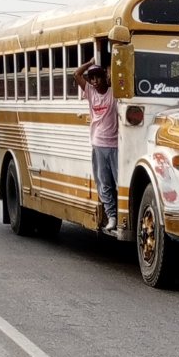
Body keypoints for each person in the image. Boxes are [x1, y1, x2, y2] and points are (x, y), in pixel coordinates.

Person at [74, 58, 118, 231]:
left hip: (115, 144)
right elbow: (76, 74)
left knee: (118, 181)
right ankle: (112, 216)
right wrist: (90, 61)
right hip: (98, 144)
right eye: (91, 79)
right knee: (104, 183)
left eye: (97, 77)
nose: (94, 81)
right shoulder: (90, 93)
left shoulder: (114, 93)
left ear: (104, 77)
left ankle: (120, 214)